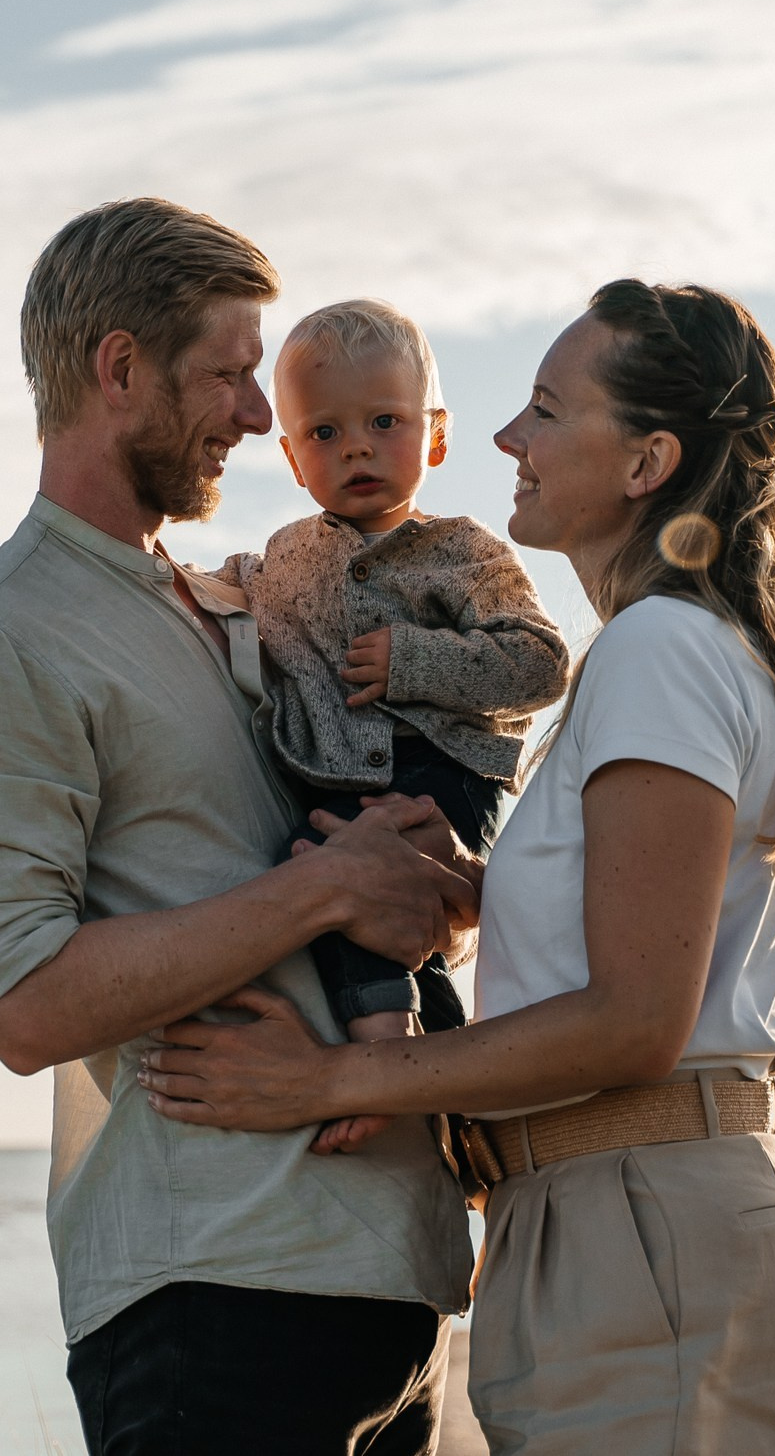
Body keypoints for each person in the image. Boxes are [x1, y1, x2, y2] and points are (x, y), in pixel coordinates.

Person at [138, 279, 775, 1453]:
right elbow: (639, 937)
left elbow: (637, 1020)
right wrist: (472, 896)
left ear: (646, 463)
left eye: (543, 408)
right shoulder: (667, 649)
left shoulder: (660, 648)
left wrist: (328, 1080)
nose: (502, 439)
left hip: (651, 1248)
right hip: (618, 1235)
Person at [0, 198, 479, 1455]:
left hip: (387, 1278)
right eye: (226, 372)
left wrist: (430, 880)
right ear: (119, 368)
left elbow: (362, 872)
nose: (260, 416)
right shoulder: (6, 640)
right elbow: (25, 1004)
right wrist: (325, 893)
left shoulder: (245, 603)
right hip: (211, 1298)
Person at [214, 298, 567, 1155]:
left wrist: (417, 660)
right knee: (322, 877)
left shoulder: (462, 549)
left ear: (435, 437)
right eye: (326, 434)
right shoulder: (289, 553)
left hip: (444, 773)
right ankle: (457, 1109)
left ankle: (381, 1066)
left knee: (352, 882)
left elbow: (541, 661)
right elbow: (242, 588)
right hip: (341, 771)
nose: (358, 447)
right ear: (294, 459)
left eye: (384, 421)